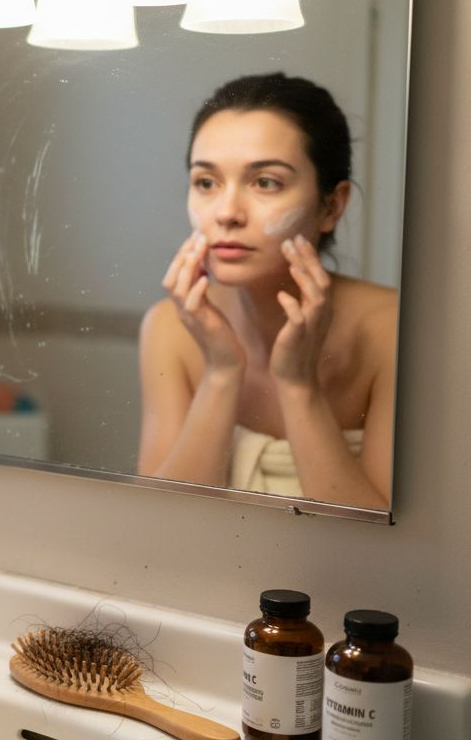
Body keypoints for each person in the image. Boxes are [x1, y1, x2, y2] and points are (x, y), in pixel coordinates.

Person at [137, 73, 396, 510]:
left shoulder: (392, 332)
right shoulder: (170, 327)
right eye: (206, 182)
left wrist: (298, 386)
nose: (226, 213)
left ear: (331, 206)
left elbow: (381, 548)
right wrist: (221, 372)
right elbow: (163, 528)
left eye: (266, 182)